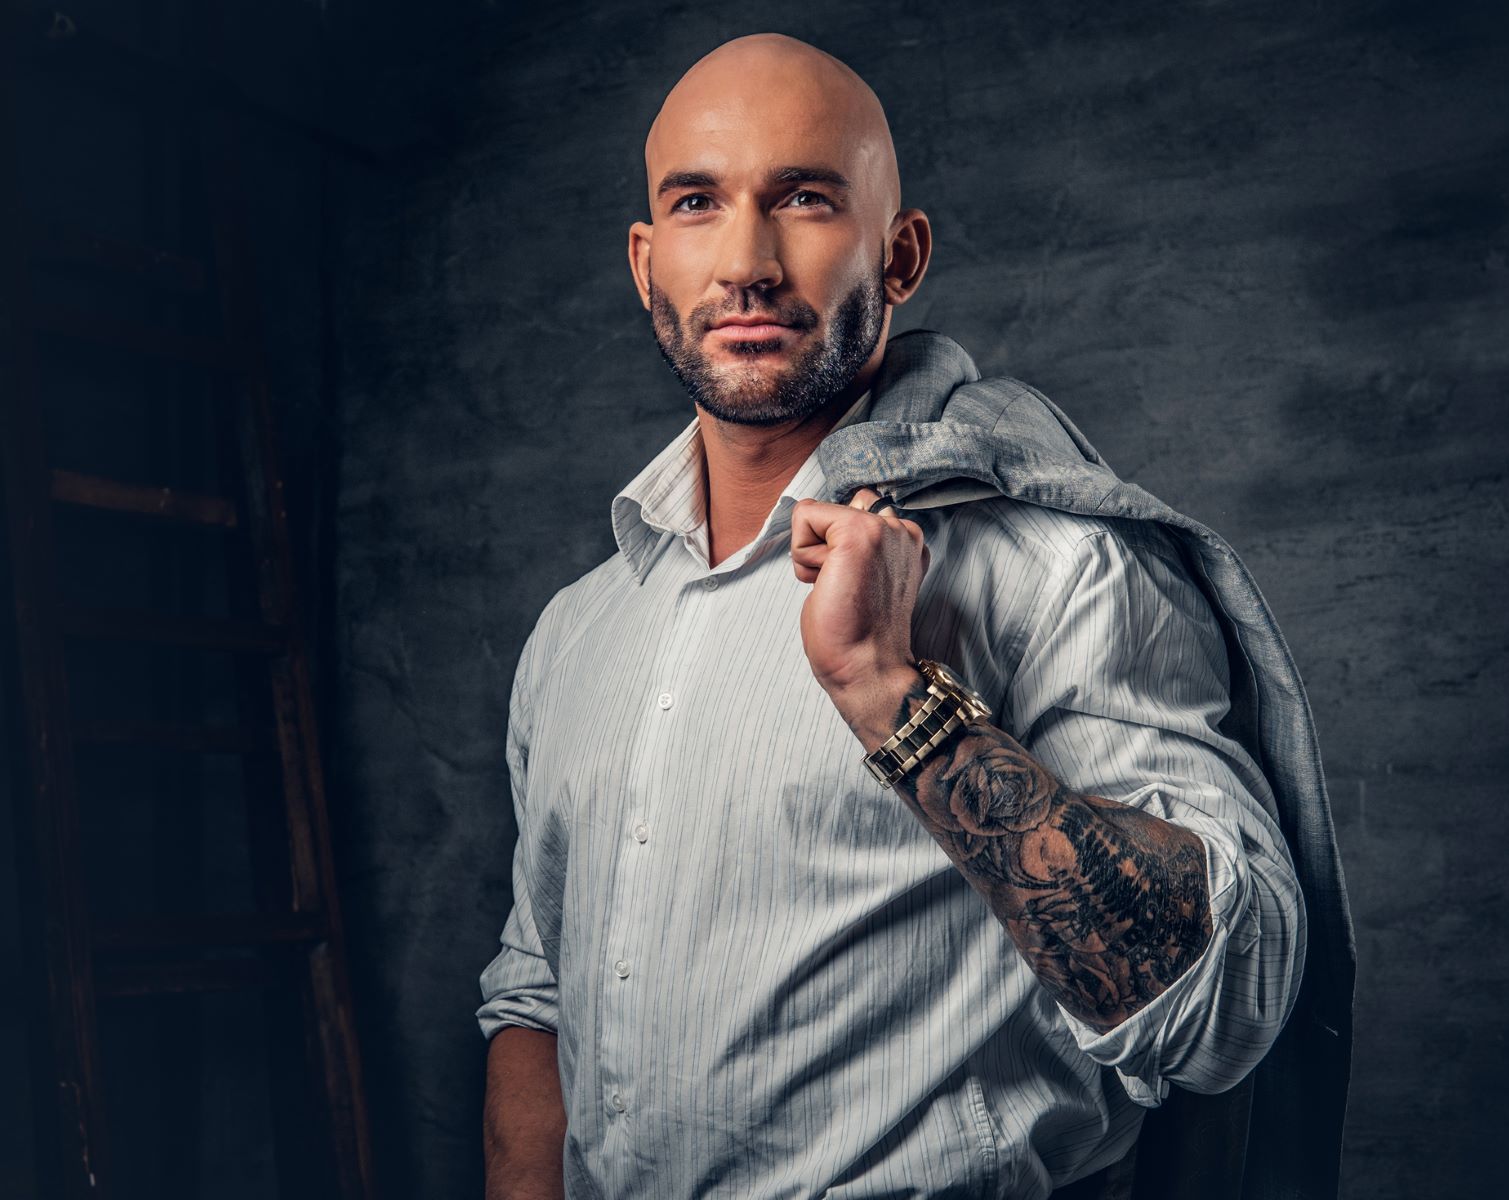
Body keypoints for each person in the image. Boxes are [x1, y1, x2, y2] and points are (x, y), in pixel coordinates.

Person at [479, 32, 1330, 1200]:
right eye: (695, 203)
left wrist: (892, 694)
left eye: (806, 200)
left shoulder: (1060, 567)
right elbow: (535, 992)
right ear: (643, 259)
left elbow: (1226, 1004)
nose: (746, 261)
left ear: (900, 252)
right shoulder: (579, 629)